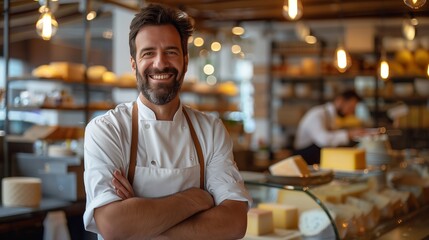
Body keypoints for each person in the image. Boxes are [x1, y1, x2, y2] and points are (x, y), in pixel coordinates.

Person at [83, 4, 252, 240]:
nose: (160, 63)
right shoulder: (107, 130)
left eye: (171, 52)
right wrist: (196, 198)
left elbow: (234, 223)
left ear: (185, 60)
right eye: (148, 53)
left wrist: (141, 222)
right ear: (134, 64)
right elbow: (113, 226)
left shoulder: (211, 130)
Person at [293, 89, 368, 165]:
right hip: (304, 159)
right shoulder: (317, 114)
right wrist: (349, 134)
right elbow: (323, 140)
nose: (351, 112)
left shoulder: (331, 117)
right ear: (340, 100)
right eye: (350, 107)